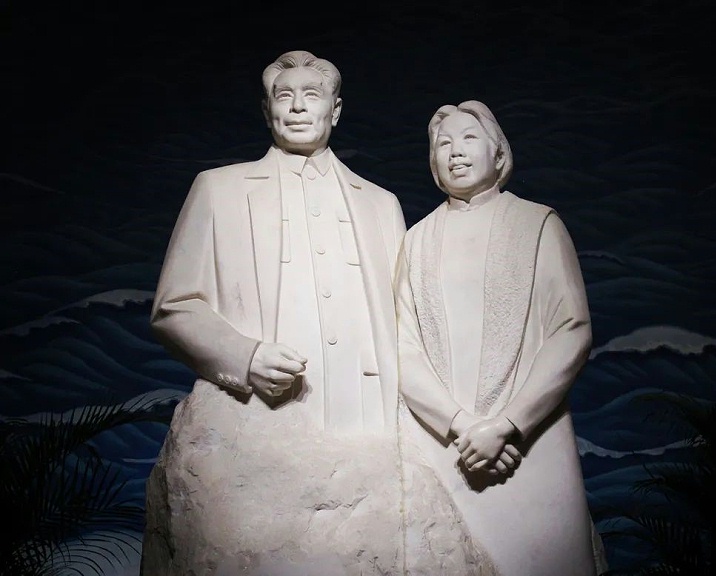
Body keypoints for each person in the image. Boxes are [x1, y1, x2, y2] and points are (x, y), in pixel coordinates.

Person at [141, 50, 408, 575]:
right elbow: (174, 307)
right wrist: (245, 357)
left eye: (312, 96)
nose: (298, 107)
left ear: (335, 110)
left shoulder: (381, 204)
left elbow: (408, 326)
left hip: (369, 435)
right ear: (268, 112)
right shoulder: (219, 189)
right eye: (284, 97)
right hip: (261, 434)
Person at [395, 100, 607, 575]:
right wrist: (461, 424)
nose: (455, 152)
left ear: (498, 152)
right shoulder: (415, 240)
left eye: (469, 138)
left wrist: (508, 423)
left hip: (530, 442)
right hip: (447, 444)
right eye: (443, 143)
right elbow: (402, 348)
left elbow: (571, 330)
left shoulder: (539, 224)